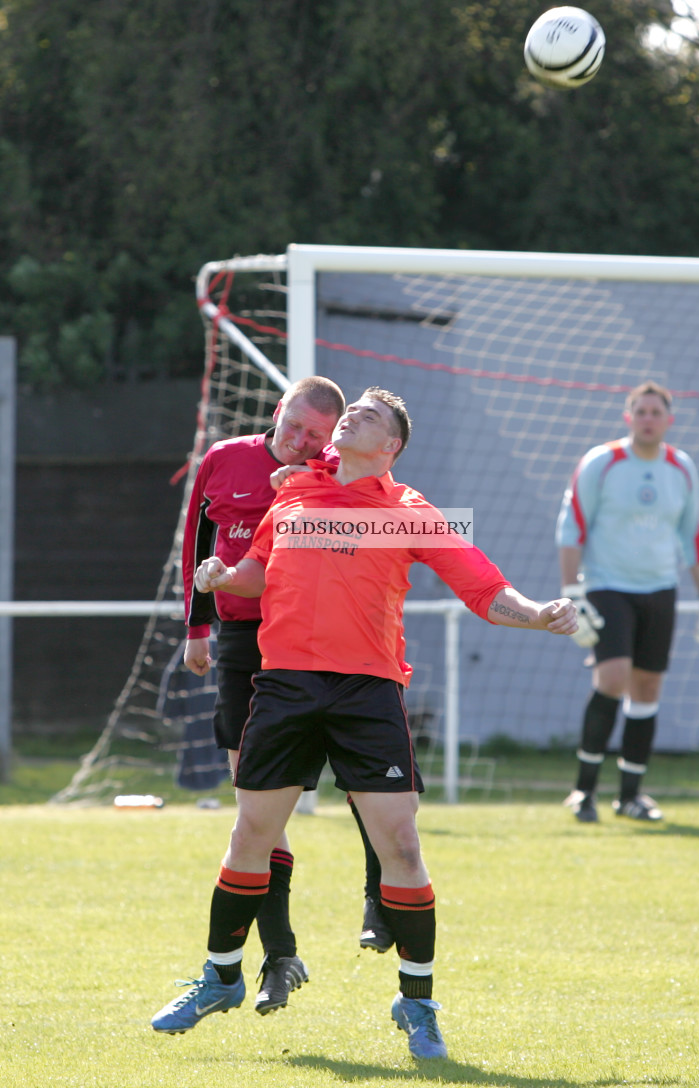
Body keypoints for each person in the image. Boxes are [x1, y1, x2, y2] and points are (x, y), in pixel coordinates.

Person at [152, 386, 578, 1057]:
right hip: (285, 684)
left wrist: (538, 614)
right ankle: (222, 976)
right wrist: (221, 576)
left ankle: (416, 1004)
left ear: (391, 448)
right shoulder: (290, 496)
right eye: (351, 412)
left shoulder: (409, 511)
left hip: (366, 692)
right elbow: (259, 573)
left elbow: (481, 586)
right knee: (250, 836)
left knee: (401, 847)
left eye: (369, 418)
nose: (351, 417)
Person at [180, 374, 391, 1018]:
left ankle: (380, 894)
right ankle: (280, 955)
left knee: (368, 781)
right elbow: (197, 539)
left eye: (316, 436)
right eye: (294, 427)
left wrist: (310, 474)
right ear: (278, 411)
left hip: (317, 644)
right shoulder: (223, 459)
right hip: (244, 642)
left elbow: (366, 482)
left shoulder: (328, 468)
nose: (301, 443)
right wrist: (195, 626)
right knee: (254, 805)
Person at [556, 380, 699, 825]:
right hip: (608, 587)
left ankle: (631, 796)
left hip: (660, 590)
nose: (648, 419)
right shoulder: (602, 462)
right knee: (613, 679)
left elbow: (694, 536)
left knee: (647, 689)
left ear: (669, 420)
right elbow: (571, 527)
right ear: (628, 418)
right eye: (641, 412)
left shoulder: (682, 467)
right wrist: (572, 593)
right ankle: (584, 791)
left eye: (656, 412)